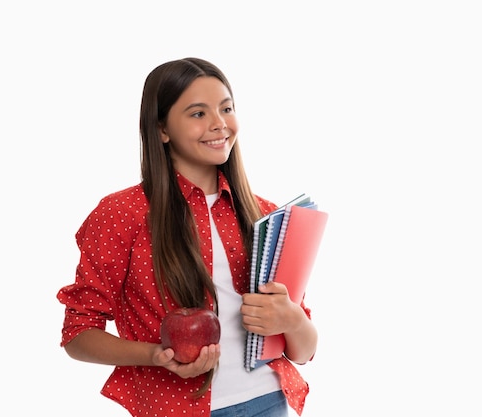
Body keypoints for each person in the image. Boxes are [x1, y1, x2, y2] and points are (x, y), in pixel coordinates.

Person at [56, 57, 318, 417]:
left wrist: (292, 320)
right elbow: (78, 334)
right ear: (162, 129)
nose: (219, 124)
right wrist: (156, 356)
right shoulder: (122, 213)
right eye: (198, 113)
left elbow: (303, 351)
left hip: (269, 402)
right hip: (177, 409)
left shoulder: (265, 215)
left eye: (226, 108)